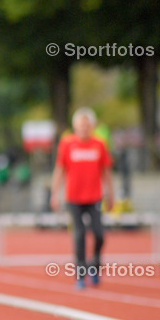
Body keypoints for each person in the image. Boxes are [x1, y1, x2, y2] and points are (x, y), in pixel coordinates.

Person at [50, 108, 115, 289]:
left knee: (99, 234)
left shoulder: (99, 144)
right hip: (74, 198)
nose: (84, 129)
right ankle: (80, 275)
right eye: (80, 126)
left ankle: (94, 265)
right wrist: (54, 194)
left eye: (87, 125)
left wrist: (111, 195)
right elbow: (59, 170)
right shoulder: (67, 144)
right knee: (79, 235)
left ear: (92, 126)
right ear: (75, 127)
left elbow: (107, 172)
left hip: (95, 197)